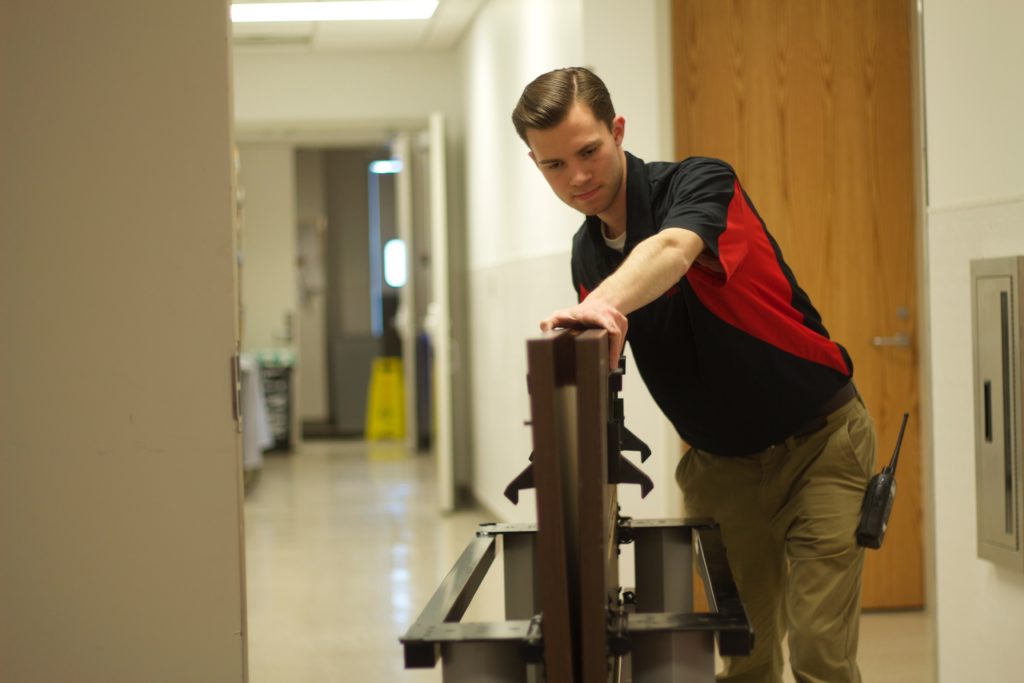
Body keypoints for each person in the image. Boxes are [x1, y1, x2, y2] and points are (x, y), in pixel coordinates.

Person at [511, 66, 877, 683]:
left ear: (618, 130)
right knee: (745, 655)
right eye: (553, 165)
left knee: (820, 652)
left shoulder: (701, 182)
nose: (576, 177)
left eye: (589, 151)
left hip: (821, 444)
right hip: (720, 468)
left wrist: (598, 304)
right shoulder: (586, 251)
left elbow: (673, 251)